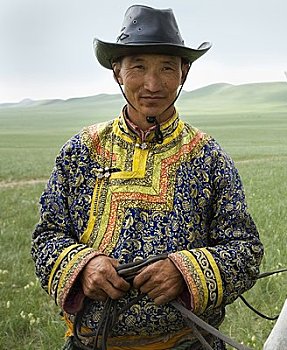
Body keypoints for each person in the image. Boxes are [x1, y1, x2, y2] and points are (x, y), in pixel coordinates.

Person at [31, 5, 264, 350]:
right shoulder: (80, 152)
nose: (153, 84)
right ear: (117, 73)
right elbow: (46, 238)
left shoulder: (209, 157)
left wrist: (186, 272)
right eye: (138, 67)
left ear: (183, 73)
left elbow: (245, 250)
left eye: (167, 68)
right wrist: (83, 267)